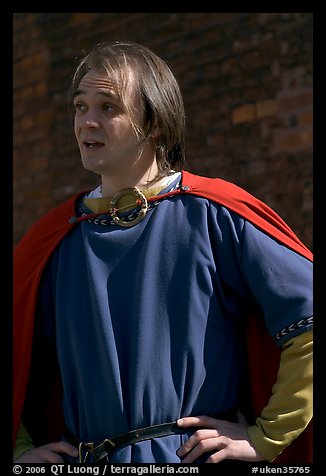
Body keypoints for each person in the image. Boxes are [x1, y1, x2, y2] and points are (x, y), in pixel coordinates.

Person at [13, 40, 313, 465]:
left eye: (108, 108)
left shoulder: (215, 214)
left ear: (155, 124)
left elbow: (309, 319)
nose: (87, 123)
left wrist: (267, 437)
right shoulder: (53, 240)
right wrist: (20, 449)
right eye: (80, 107)